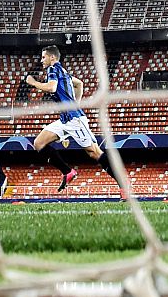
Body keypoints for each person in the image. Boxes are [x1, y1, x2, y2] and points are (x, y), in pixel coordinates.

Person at [24, 45, 127, 193]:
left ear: (52, 57)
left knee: (94, 152)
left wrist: (33, 83)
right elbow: (79, 84)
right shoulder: (63, 71)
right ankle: (68, 172)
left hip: (74, 119)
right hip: (65, 119)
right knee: (39, 143)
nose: (41, 60)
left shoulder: (52, 69)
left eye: (43, 57)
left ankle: (123, 186)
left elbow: (52, 88)